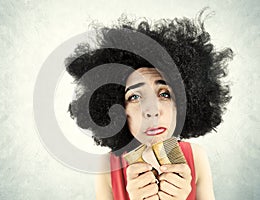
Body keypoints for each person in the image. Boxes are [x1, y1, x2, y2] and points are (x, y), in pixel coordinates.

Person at [65, 10, 233, 200]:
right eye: (135, 97)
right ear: (119, 110)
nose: (152, 111)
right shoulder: (107, 167)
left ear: (182, 104)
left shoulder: (196, 157)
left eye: (164, 94)